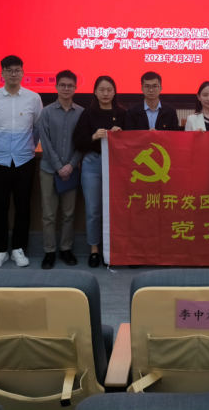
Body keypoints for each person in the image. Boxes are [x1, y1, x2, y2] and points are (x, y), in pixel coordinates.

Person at [0, 55, 43, 269]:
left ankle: (18, 248)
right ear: (2, 73)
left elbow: (37, 128)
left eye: (17, 70)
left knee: (23, 207)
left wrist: (28, 147)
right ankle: (0, 250)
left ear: (23, 72)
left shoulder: (33, 98)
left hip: (24, 160)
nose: (13, 74)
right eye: (9, 70)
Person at [74, 76, 126, 268]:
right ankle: (94, 250)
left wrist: (121, 135)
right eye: (101, 89)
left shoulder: (123, 113)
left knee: (117, 209)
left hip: (117, 165)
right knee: (93, 210)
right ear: (95, 92)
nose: (105, 93)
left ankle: (115, 248)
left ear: (114, 92)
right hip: (93, 164)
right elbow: (78, 142)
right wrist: (94, 137)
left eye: (109, 90)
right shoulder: (87, 113)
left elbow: (133, 142)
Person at [39, 70, 84, 269]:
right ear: (56, 86)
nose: (66, 88)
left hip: (71, 171)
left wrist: (70, 165)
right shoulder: (47, 112)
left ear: (75, 88)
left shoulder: (81, 113)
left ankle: (66, 249)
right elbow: (45, 142)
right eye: (63, 85)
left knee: (68, 214)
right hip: (49, 170)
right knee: (49, 214)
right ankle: (49, 251)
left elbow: (82, 143)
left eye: (70, 85)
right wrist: (59, 167)